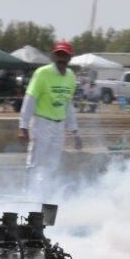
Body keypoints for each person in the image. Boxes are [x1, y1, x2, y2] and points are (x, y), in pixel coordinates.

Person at [18, 40, 82, 186]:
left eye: (64, 56)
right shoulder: (42, 73)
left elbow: (68, 105)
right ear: (53, 56)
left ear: (69, 58)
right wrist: (23, 126)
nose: (61, 59)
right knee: (35, 162)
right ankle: (28, 193)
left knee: (52, 164)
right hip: (42, 123)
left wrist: (75, 132)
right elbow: (30, 99)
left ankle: (44, 192)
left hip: (59, 126)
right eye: (58, 55)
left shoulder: (71, 76)